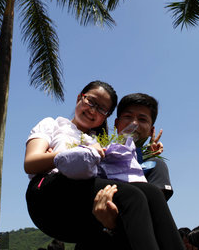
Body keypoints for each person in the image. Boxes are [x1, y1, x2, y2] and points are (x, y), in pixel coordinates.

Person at [24, 81, 185, 250]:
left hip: (82, 208)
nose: (93, 110)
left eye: (102, 109)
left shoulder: (98, 142)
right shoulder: (53, 124)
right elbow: (30, 163)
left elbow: (120, 166)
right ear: (80, 97)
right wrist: (68, 155)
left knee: (152, 193)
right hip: (48, 196)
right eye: (91, 101)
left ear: (106, 116)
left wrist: (145, 151)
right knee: (132, 196)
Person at [114, 93, 173, 200]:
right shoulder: (98, 156)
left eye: (142, 119)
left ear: (151, 130)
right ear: (116, 124)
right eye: (128, 116)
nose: (134, 123)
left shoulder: (154, 165)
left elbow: (154, 207)